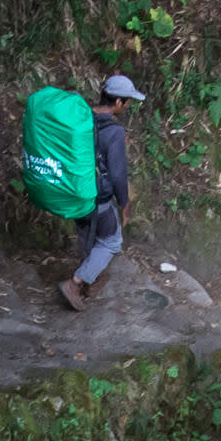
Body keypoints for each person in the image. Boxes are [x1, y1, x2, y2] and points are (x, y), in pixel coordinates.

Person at [55, 72, 142, 310]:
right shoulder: (113, 132)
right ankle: (75, 283)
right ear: (117, 102)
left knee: (87, 234)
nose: (128, 106)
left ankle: (88, 280)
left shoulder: (81, 119)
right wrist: (124, 204)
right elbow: (117, 174)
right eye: (127, 101)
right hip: (98, 197)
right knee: (112, 241)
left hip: (73, 191)